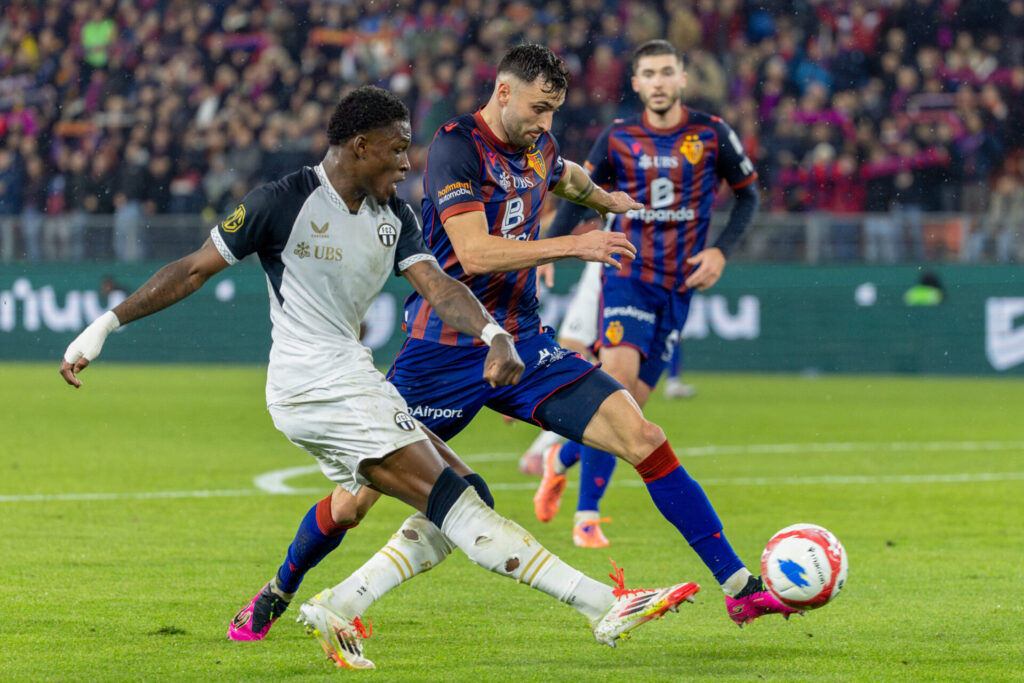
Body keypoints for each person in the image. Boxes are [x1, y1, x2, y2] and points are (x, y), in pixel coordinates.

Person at [59, 86, 698, 670]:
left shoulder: (394, 216)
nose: (405, 163)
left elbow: (440, 287)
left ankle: (324, 602)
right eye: (396, 150)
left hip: (347, 378)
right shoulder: (282, 201)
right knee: (457, 506)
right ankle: (603, 605)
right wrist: (104, 326)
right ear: (359, 146)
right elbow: (193, 269)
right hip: (314, 384)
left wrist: (493, 334)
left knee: (458, 494)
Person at [228, 45, 794, 657]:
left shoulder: (538, 145)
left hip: (525, 345)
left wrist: (606, 201)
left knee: (644, 437)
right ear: (503, 92)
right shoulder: (456, 146)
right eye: (538, 108)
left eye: (553, 111)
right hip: (443, 353)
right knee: (352, 504)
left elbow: (566, 175)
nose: (545, 122)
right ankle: (278, 591)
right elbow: (473, 253)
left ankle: (739, 586)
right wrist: (574, 246)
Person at [532, 39, 760, 550]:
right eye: (649, 74)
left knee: (630, 409)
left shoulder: (712, 133)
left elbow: (749, 197)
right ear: (636, 83)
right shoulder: (618, 137)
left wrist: (720, 251)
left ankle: (560, 459)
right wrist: (550, 249)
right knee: (616, 385)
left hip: (678, 287)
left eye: (666, 72)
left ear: (682, 79)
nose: (658, 82)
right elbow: (577, 194)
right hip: (628, 274)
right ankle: (587, 517)